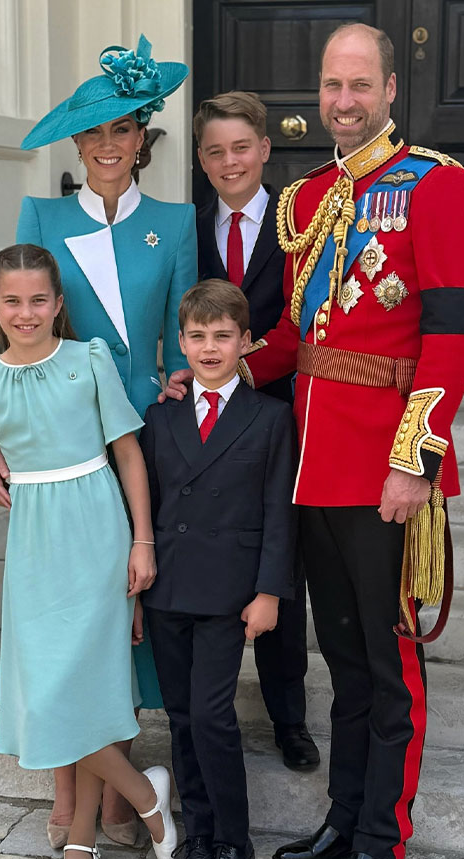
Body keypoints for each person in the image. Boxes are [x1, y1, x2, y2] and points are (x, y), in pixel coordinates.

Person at [165, 23, 464, 859]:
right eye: (330, 85)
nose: (343, 102)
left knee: (388, 664)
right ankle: (346, 814)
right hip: (310, 465)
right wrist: (210, 374)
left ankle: (385, 838)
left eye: (359, 85)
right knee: (340, 660)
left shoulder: (438, 186)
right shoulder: (305, 200)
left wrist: (414, 459)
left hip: (386, 466)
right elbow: (293, 343)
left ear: (390, 88)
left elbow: (453, 337)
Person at [0, 34, 197, 849]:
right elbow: (19, 318)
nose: (108, 147)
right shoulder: (43, 215)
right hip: (60, 436)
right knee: (60, 616)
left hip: (138, 433)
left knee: (122, 604)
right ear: (77, 145)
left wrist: (178, 380)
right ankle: (75, 799)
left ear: (144, 137)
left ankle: (116, 785)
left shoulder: (175, 224)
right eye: (93, 135)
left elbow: (179, 340)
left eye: (122, 131)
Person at [0, 244, 177, 859]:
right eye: (13, 301)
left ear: (58, 304)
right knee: (49, 699)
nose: (27, 312)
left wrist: (143, 542)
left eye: (39, 300)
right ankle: (146, 795)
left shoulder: (88, 361)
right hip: (35, 547)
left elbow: (128, 455)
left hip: (100, 532)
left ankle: (81, 840)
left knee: (90, 693)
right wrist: (5, 483)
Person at [140, 279, 296, 859]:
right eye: (198, 337)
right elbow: (145, 503)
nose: (210, 348)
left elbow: (280, 513)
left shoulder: (270, 418)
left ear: (246, 343)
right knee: (180, 717)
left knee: (211, 715)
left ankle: (235, 836)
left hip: (231, 591)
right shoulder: (162, 414)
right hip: (168, 586)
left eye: (223, 337)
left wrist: (269, 592)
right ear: (180, 342)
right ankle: (199, 831)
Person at [194, 90, 319, 771]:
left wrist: (236, 371)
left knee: (281, 563)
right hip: (208, 421)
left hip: (282, 413)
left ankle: (290, 718)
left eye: (241, 147)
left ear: (265, 150)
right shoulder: (186, 227)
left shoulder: (300, 222)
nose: (229, 161)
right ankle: (199, 705)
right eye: (214, 150)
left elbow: (302, 325)